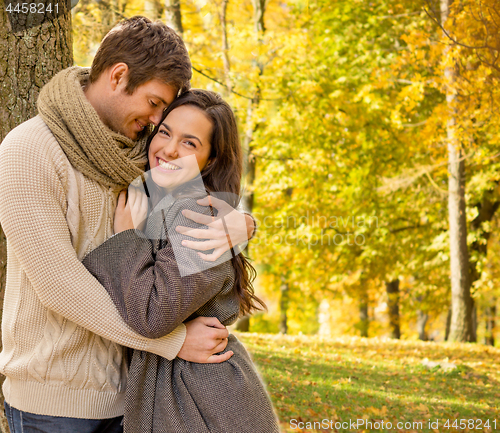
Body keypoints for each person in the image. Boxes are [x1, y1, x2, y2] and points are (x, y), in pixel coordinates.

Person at [0, 16, 255, 433]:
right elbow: (59, 286)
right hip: (55, 403)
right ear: (119, 76)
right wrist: (173, 342)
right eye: (155, 103)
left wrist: (243, 222)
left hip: (136, 398)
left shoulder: (145, 153)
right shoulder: (29, 151)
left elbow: (205, 191)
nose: (157, 121)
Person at [82, 89, 281, 433]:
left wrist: (125, 240)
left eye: (190, 143)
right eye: (165, 132)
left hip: (203, 401)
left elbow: (153, 316)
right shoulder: (158, 199)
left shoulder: (199, 216)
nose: (170, 149)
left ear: (211, 159)